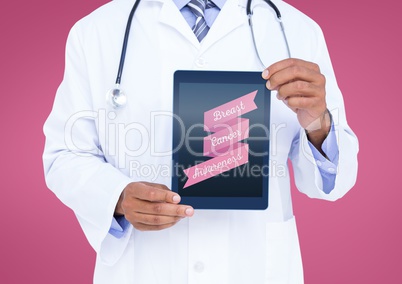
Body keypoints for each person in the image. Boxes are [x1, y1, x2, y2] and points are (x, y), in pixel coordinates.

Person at [43, 0, 358, 283]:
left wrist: (318, 122)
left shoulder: (295, 29)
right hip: (145, 269)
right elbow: (65, 155)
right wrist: (118, 197)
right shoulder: (97, 31)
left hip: (255, 267)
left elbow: (334, 181)